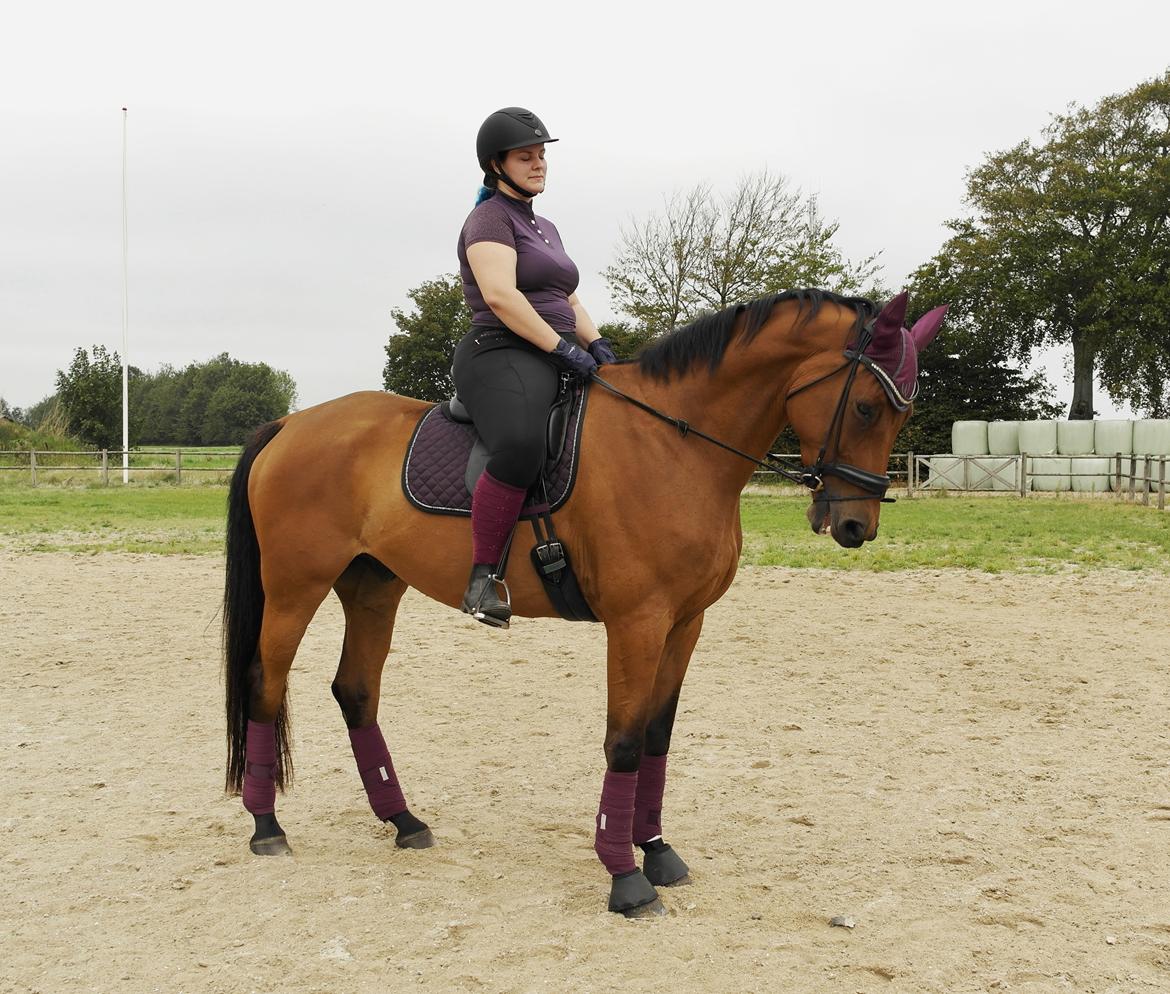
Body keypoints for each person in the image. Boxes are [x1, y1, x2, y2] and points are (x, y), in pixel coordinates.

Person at [453, 107, 617, 628]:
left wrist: (596, 345)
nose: (539, 163)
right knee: (522, 444)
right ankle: (483, 578)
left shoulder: (544, 225)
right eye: (526, 156)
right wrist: (561, 349)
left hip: (556, 348)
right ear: (496, 164)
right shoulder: (489, 219)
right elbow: (502, 296)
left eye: (542, 155)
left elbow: (567, 298)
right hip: (499, 351)